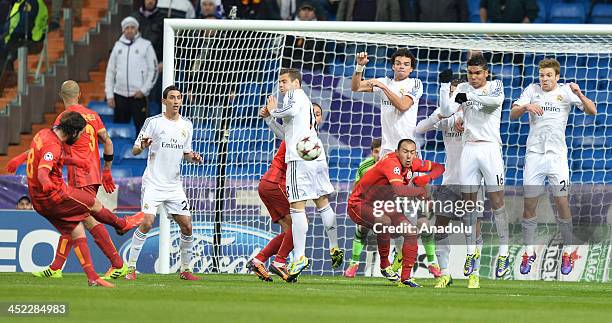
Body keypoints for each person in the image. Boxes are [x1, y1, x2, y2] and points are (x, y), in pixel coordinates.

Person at [7, 80, 144, 280]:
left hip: (80, 174)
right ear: (79, 94)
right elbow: (108, 141)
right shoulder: (93, 115)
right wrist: (106, 171)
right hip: (93, 171)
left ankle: (117, 257)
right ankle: (57, 267)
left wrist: (21, 157)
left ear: (61, 96)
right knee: (75, 219)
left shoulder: (65, 117)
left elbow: (48, 144)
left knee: (84, 217)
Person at [351, 48, 440, 276]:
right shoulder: (383, 81)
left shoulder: (415, 84)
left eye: (405, 64)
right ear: (392, 65)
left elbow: (402, 105)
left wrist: (383, 87)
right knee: (386, 211)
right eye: (397, 63)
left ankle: (430, 260)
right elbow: (356, 87)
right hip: (388, 156)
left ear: (411, 68)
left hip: (408, 153)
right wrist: (360, 66)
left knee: (413, 213)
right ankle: (386, 261)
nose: (401, 66)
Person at [511, 58, 596, 276]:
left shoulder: (567, 91)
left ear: (556, 77)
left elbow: (592, 111)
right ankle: (529, 252)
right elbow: (512, 114)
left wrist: (579, 94)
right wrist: (525, 106)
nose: (545, 79)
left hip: (557, 157)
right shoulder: (531, 89)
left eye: (549, 75)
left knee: (562, 202)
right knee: (529, 205)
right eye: (542, 75)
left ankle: (568, 251)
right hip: (535, 156)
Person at [266, 68, 343, 281]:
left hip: (299, 157)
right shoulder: (305, 102)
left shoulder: (294, 95)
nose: (281, 85)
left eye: (284, 81)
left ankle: (299, 257)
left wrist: (273, 111)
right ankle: (334, 246)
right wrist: (270, 120)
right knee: (322, 202)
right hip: (315, 153)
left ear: (296, 83)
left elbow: (287, 113)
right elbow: (286, 135)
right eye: (280, 82)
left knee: (296, 206)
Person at [440, 54, 511, 279]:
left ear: (486, 73)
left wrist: (468, 97)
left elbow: (494, 104)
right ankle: (472, 252)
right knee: (469, 204)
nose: (473, 77)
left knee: (497, 202)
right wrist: (444, 87)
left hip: (490, 148)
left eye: (478, 73)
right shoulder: (461, 86)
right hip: (469, 148)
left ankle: (504, 253)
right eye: (470, 73)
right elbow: (446, 110)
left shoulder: (495, 86)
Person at [126, 85, 203, 281]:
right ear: (164, 101)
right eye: (172, 98)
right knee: (147, 222)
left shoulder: (187, 125)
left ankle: (185, 269)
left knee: (187, 226)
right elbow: (135, 150)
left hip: (174, 185)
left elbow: (186, 153)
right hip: (153, 182)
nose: (176, 101)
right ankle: (131, 268)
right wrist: (142, 146)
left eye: (179, 97)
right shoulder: (153, 122)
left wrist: (193, 157)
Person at [416, 72, 485, 288]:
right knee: (441, 227)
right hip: (449, 180)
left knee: (472, 228)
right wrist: (440, 116)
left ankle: (474, 274)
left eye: (459, 92)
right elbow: (418, 129)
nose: (455, 95)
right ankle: (445, 273)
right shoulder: (445, 114)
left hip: (472, 180)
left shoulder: (475, 112)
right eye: (452, 91)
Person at [347, 139, 444, 287]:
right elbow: (400, 191)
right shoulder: (391, 164)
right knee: (384, 221)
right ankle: (385, 265)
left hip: (383, 205)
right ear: (397, 152)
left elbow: (439, 167)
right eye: (405, 152)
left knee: (411, 232)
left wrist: (427, 177)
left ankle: (405, 278)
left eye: (412, 152)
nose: (409, 156)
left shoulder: (414, 163)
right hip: (359, 203)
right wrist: (420, 190)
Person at [246, 103, 325, 282]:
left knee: (291, 229)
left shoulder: (306, 135)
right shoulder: (301, 134)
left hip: (268, 184)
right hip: (276, 183)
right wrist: (270, 117)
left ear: (321, 118)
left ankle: (259, 260)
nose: (314, 116)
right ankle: (280, 261)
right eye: (311, 112)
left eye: (318, 114)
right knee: (300, 223)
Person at [105, 16, 158, 134]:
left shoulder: (146, 45)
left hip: (138, 96)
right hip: (120, 95)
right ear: (123, 30)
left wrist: (144, 90)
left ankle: (141, 152)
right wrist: (109, 95)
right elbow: (110, 71)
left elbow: (153, 70)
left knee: (142, 130)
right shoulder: (117, 46)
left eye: (132, 27)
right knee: (119, 130)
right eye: (127, 28)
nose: (129, 30)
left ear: (137, 29)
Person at [343, 138, 381, 278]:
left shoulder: (393, 166)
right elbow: (356, 187)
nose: (378, 154)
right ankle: (354, 264)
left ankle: (397, 263)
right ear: (372, 153)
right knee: (361, 228)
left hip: (389, 204)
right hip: (370, 203)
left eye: (381, 152)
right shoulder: (364, 166)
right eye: (376, 151)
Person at [131, 0, 164, 116]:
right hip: (136, 67)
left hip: (157, 66)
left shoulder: (163, 18)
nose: (150, 1)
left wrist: (164, 62)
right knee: (136, 101)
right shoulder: (134, 17)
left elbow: (169, 42)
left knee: (154, 102)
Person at [336, 0, 400, 21]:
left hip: (379, 35)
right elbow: (342, 9)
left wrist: (394, 34)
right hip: (353, 33)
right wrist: (338, 32)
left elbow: (394, 11)